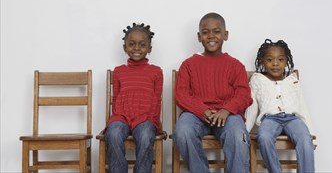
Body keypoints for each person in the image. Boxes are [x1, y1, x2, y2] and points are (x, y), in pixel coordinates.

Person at [172, 12, 253, 173]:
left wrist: (226, 110)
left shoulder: (236, 65)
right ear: (199, 36)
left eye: (216, 31)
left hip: (227, 115)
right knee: (182, 131)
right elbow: (181, 95)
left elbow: (244, 95)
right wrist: (203, 110)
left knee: (238, 134)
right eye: (205, 32)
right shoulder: (188, 64)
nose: (211, 36)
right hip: (195, 115)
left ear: (225, 35)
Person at [245, 39, 315, 173]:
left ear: (286, 61)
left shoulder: (292, 80)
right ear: (262, 62)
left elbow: (302, 106)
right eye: (270, 60)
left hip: (293, 119)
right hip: (270, 119)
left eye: (280, 60)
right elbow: (252, 107)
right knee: (264, 137)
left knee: (305, 139)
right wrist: (245, 132)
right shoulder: (257, 80)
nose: (275, 64)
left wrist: (311, 133)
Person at [104, 23, 163, 173]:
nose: (136, 48)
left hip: (145, 118)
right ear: (125, 48)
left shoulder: (156, 72)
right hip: (121, 116)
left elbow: (157, 100)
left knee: (145, 136)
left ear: (149, 49)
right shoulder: (118, 72)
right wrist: (117, 118)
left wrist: (153, 121)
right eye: (132, 44)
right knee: (113, 133)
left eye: (142, 45)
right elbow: (116, 98)